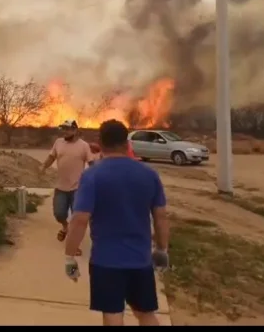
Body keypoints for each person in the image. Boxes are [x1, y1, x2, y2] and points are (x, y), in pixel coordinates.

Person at [63, 119, 170, 326]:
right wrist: (162, 249)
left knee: (113, 315)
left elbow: (79, 220)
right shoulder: (149, 174)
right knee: (145, 313)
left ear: (100, 142)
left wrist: (70, 256)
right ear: (127, 142)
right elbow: (161, 216)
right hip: (140, 260)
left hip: (106, 262)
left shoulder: (92, 176)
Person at [41, 119, 95, 256]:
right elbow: (51, 157)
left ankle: (73, 245)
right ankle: (65, 227)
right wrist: (43, 167)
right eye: (63, 129)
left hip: (77, 188)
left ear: (75, 130)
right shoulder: (58, 143)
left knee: (76, 218)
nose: (64, 131)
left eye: (68, 129)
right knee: (59, 214)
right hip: (61, 187)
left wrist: (95, 178)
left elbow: (92, 163)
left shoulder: (84, 146)